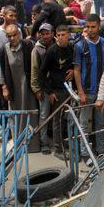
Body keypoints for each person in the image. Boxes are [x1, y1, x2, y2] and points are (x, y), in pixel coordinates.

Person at [74, 14, 104, 158]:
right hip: (86, 91)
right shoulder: (79, 45)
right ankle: (85, 153)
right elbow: (76, 70)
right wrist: (81, 92)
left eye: (93, 26)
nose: (90, 29)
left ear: (99, 27)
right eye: (87, 27)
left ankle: (100, 149)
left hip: (101, 91)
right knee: (85, 124)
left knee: (100, 122)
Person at [39, 24, 74, 157]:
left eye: (63, 35)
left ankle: (63, 142)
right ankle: (58, 149)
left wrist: (72, 70)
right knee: (57, 120)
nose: (60, 38)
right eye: (58, 35)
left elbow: (75, 64)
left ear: (68, 35)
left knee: (67, 119)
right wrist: (50, 92)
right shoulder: (52, 51)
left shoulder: (72, 48)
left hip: (70, 89)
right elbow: (42, 73)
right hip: (57, 91)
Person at [31, 23, 55, 154]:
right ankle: (44, 142)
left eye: (48, 33)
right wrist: (36, 89)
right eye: (43, 34)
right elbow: (34, 70)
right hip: (44, 88)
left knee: (58, 115)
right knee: (44, 115)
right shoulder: (37, 50)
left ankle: (57, 141)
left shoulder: (57, 45)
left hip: (56, 87)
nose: (45, 36)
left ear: (52, 33)